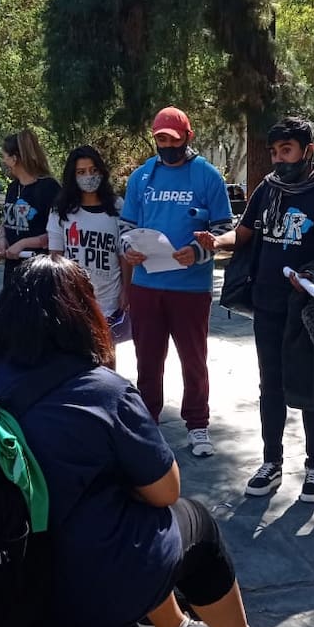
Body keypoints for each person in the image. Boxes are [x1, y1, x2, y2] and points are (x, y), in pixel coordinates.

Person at [0, 256, 285, 627]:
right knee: (194, 522)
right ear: (83, 314)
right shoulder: (104, 391)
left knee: (113, 506)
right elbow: (166, 492)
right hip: (85, 596)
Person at [197, 116, 314, 503]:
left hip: (310, 312)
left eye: (286, 150)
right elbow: (244, 233)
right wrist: (215, 241)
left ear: (308, 151)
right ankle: (272, 462)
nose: (278, 159)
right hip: (268, 307)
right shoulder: (267, 191)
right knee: (269, 386)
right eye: (274, 152)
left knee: (310, 388)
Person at [120, 107, 233, 456]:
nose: (166, 144)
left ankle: (198, 425)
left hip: (190, 288)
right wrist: (129, 249)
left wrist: (196, 252)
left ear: (187, 137)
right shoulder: (141, 177)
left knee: (193, 360)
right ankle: (148, 422)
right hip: (147, 286)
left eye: (172, 138)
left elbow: (224, 229)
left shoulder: (207, 176)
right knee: (147, 360)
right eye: (160, 138)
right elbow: (125, 227)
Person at [47, 144, 130, 325]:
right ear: (72, 176)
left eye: (93, 170)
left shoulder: (117, 206)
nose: (89, 177)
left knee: (107, 353)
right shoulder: (60, 211)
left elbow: (123, 253)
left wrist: (126, 289)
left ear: (101, 171)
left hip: (110, 301)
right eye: (81, 172)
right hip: (73, 301)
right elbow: (56, 257)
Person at [0, 129, 60, 288]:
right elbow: (7, 220)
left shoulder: (49, 188)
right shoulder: (12, 187)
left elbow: (57, 233)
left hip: (38, 272)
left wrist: (23, 243)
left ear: (15, 159)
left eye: (5, 157)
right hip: (12, 273)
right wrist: (2, 238)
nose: (3, 162)